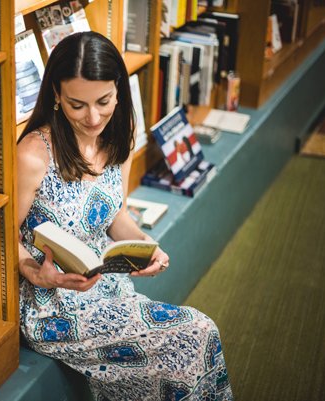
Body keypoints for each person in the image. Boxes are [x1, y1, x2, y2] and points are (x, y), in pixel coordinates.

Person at [17, 31, 233, 401]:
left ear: (119, 88)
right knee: (193, 335)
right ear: (55, 94)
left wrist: (146, 246)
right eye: (76, 105)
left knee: (201, 335)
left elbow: (116, 214)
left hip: (108, 288)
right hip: (52, 307)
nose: (93, 116)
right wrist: (34, 271)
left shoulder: (121, 134)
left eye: (103, 101)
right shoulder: (34, 155)